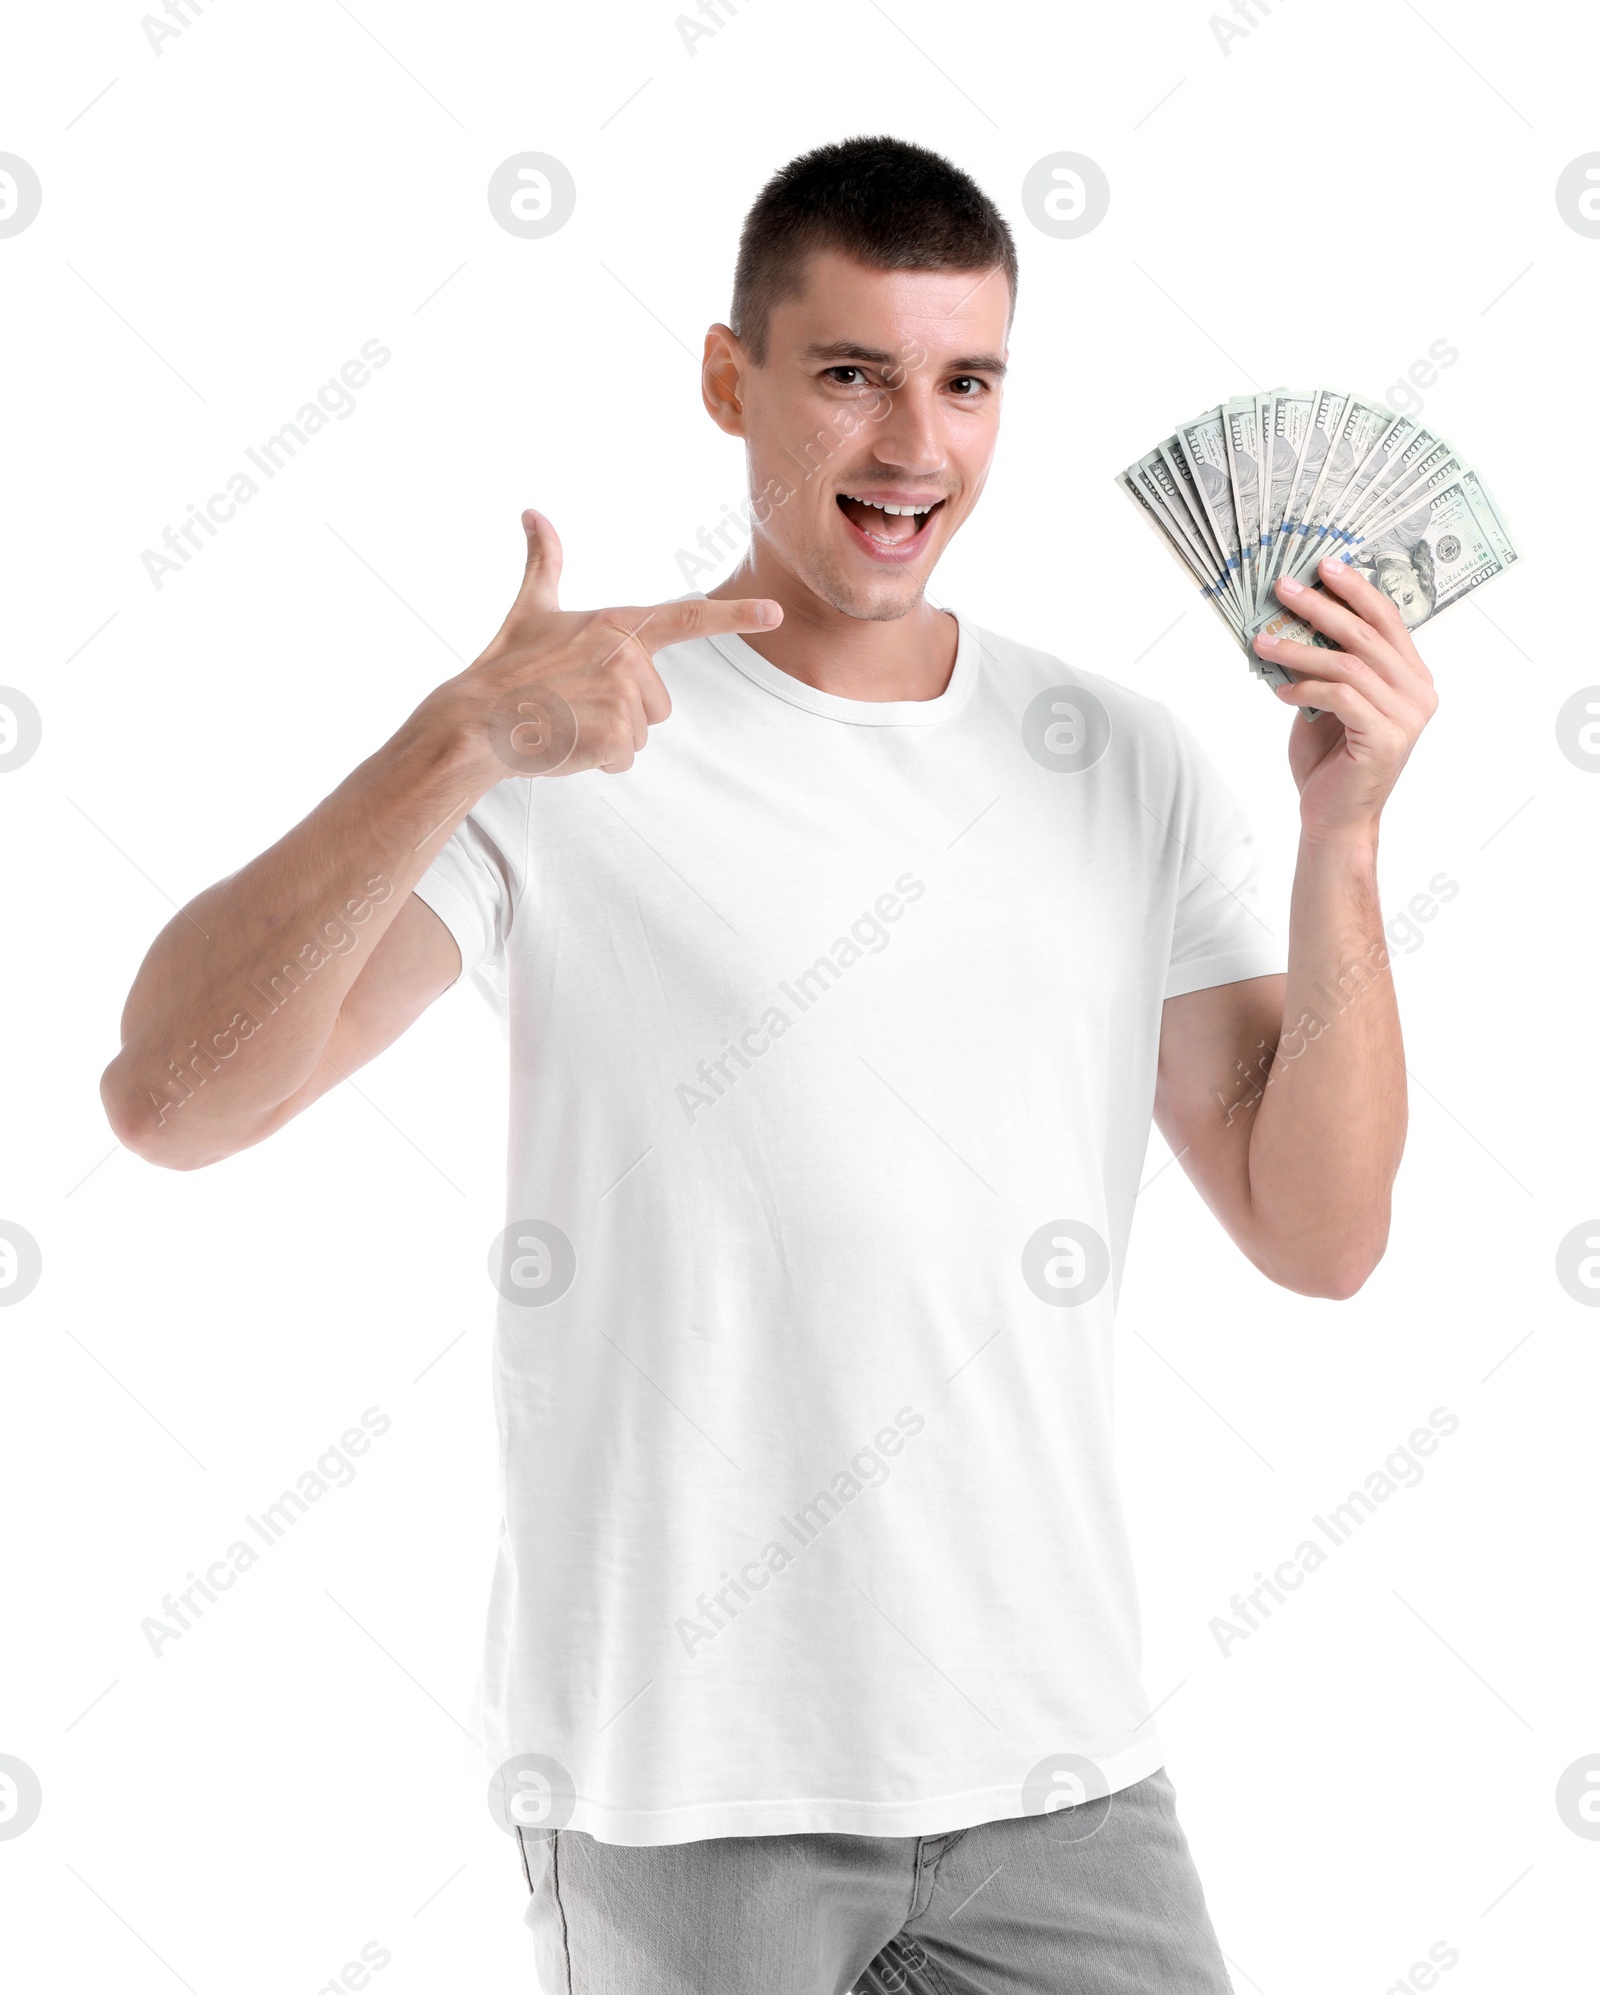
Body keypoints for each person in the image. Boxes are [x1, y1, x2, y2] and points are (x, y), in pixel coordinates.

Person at [102, 135, 1439, 1994]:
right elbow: (170, 1098)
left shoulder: (1119, 760)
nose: (914, 447)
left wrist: (1346, 833)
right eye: (848, 375)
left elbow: (1324, 1234)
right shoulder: (571, 747)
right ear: (731, 379)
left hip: (1059, 1770)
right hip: (681, 1786)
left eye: (964, 382)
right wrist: (457, 738)